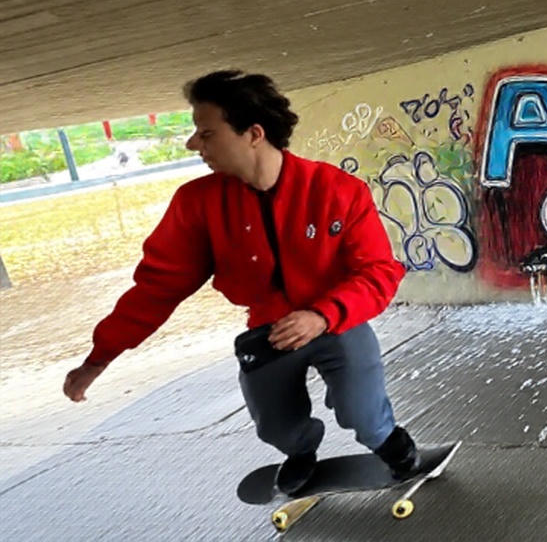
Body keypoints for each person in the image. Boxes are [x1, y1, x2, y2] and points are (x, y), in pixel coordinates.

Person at [63, 70, 419, 494]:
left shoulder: (336, 190)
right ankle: (302, 451)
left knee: (364, 415)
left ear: (253, 133)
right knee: (275, 429)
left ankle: (393, 446)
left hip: (335, 320)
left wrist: (322, 316)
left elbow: (379, 272)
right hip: (266, 329)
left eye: (206, 133)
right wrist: (98, 359)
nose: (193, 144)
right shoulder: (197, 204)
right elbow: (155, 290)